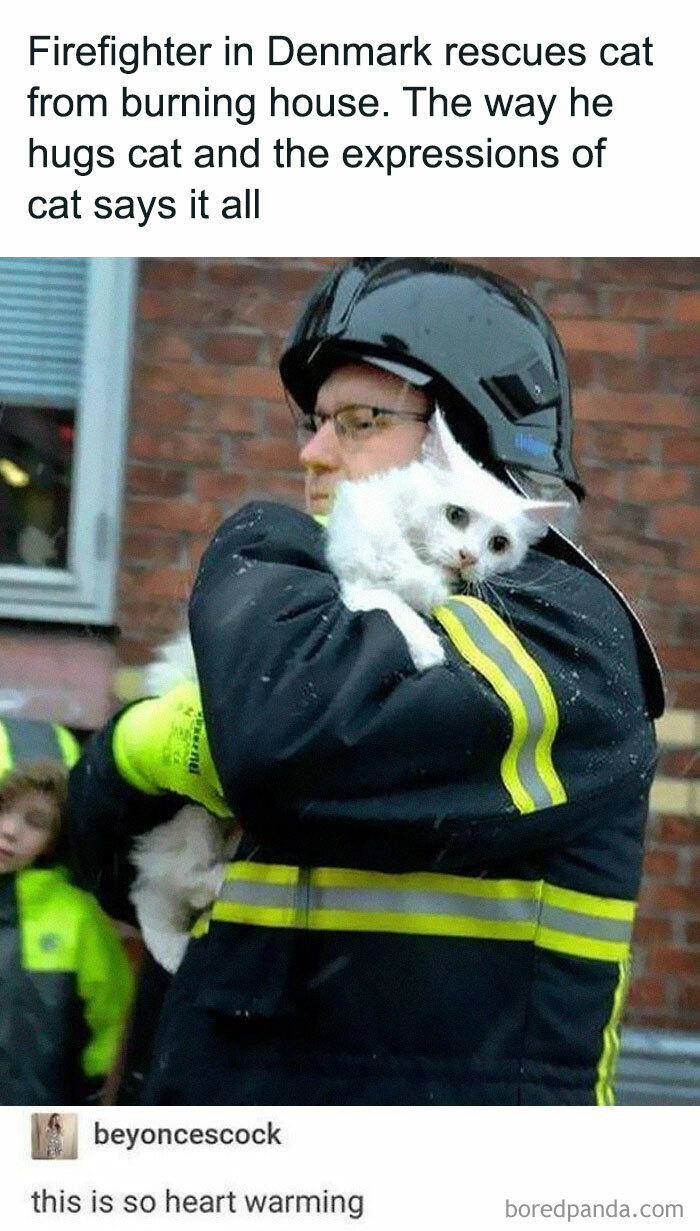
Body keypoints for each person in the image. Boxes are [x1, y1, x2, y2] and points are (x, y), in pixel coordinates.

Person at [67, 259, 663, 1105]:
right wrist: (133, 750)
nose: (310, 453)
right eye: (313, 422)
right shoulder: (315, 616)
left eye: (357, 420)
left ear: (469, 436)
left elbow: (287, 737)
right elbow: (99, 865)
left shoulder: (564, 630)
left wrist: (260, 539)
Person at [0, 722, 135, 1105]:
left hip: (51, 1118)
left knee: (54, 1160)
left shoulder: (78, 918)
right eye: (0, 807)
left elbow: (112, 1024)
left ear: (55, 836)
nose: (10, 831)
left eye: (35, 820)